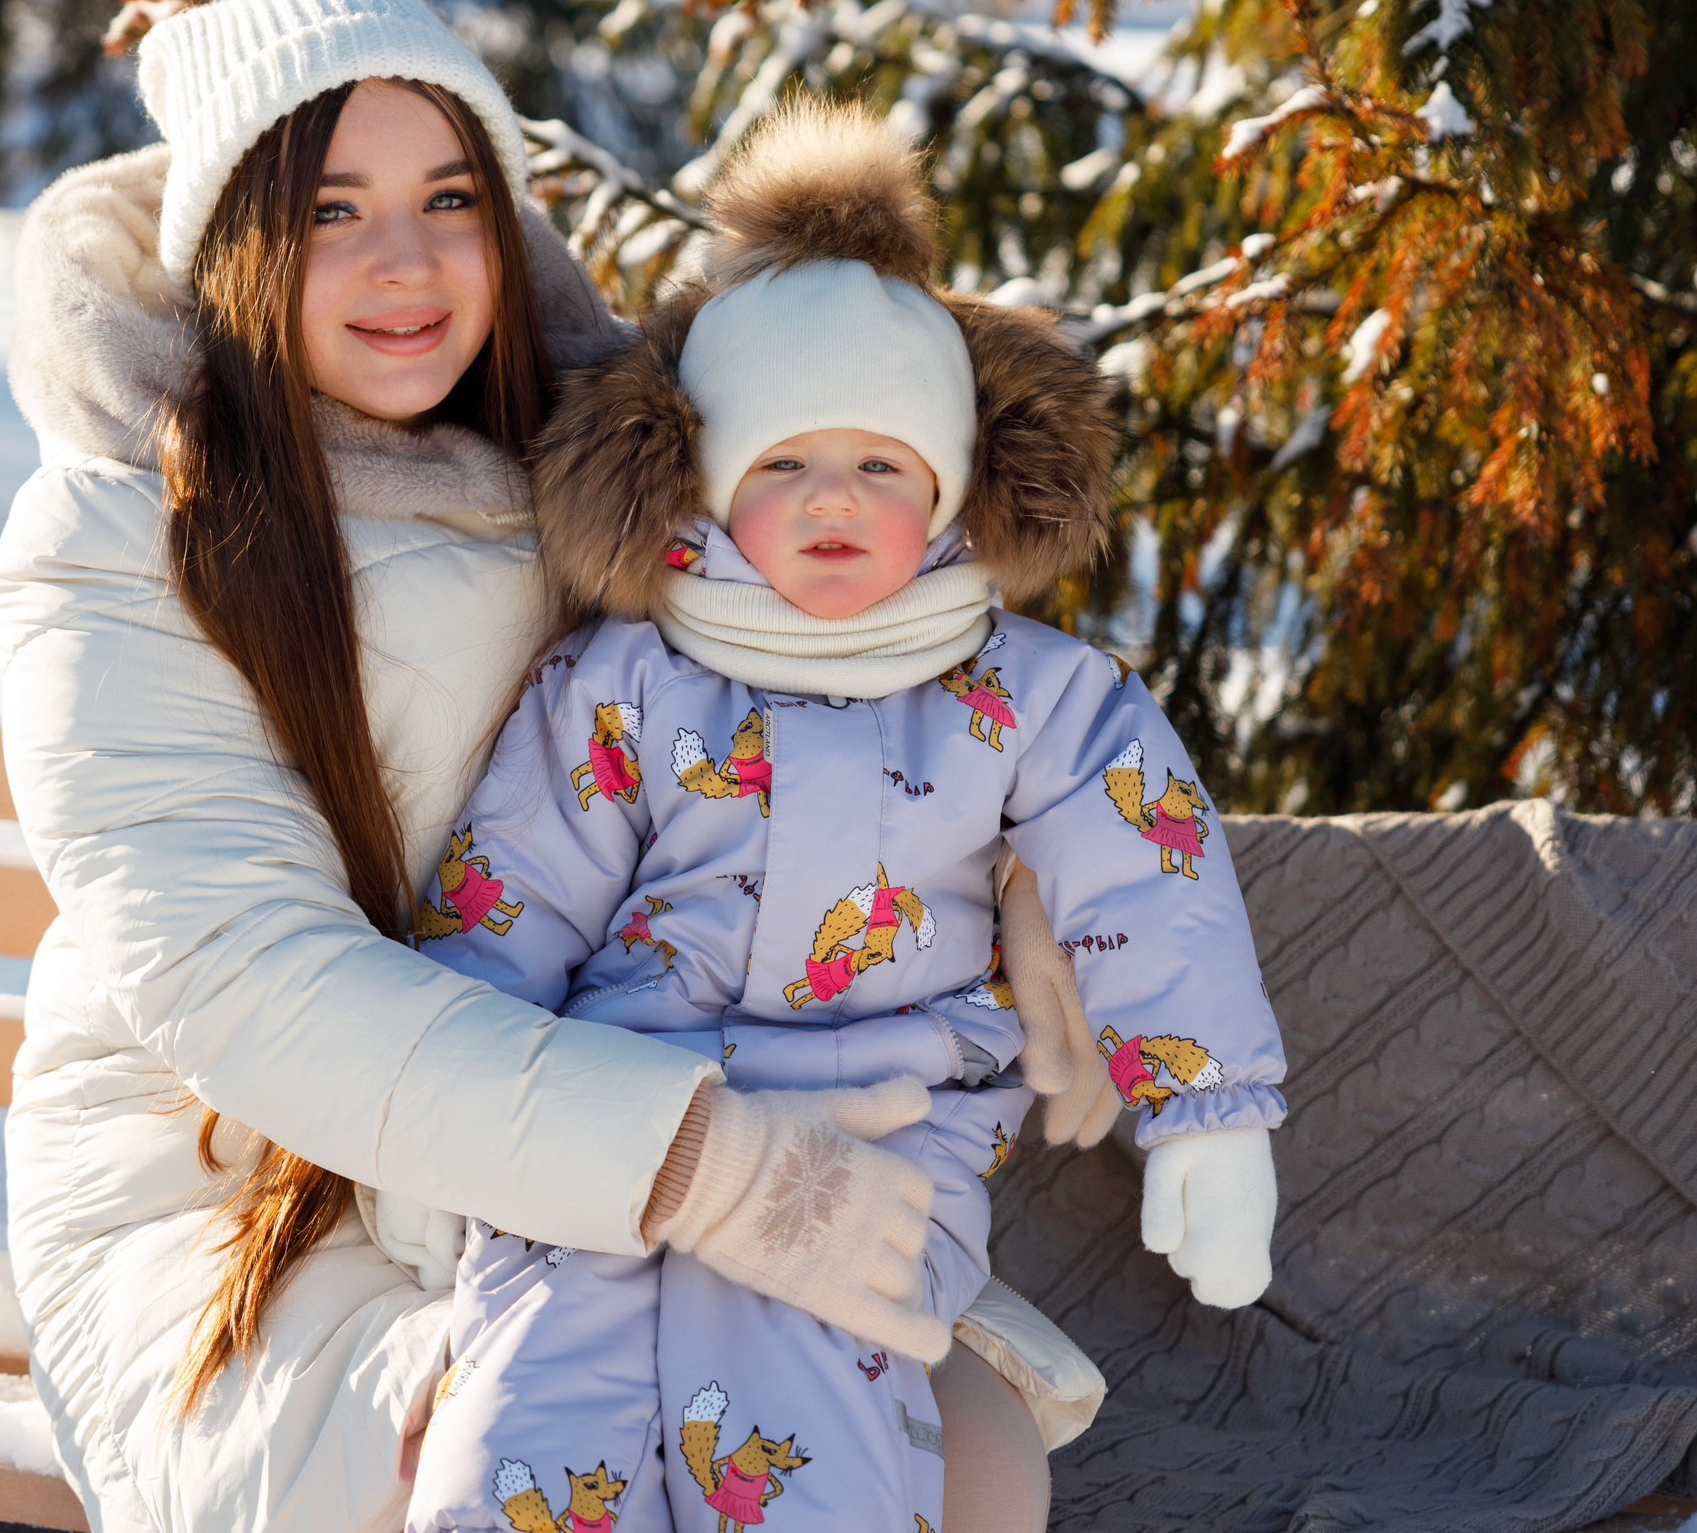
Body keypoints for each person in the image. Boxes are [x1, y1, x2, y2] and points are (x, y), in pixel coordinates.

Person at [0, 0, 1106, 1533]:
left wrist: (1027, 860)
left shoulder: (601, 469)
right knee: (562, 1473)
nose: (407, 262)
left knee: (976, 1460)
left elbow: (866, 643)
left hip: (639, 1095)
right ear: (243, 239)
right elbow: (237, 975)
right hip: (247, 1180)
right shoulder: (118, 530)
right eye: (331, 210)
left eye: (449, 196)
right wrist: (703, 1174)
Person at [398, 104, 1288, 1533]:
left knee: (793, 1405)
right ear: (706, 484)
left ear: (943, 487)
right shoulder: (626, 680)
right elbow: (515, 896)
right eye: (783, 465)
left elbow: (1150, 873)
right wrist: (432, 1124)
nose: (834, 502)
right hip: (614, 1122)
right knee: (536, 1402)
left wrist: (1212, 1118)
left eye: (880, 465)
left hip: (878, 1144)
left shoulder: (1031, 699)